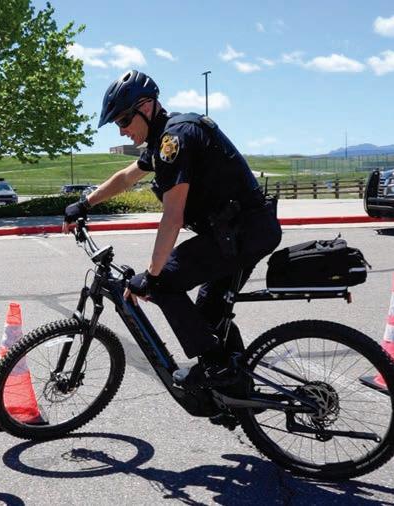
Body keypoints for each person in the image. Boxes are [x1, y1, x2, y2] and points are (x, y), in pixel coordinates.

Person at [64, 70, 281, 388]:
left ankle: (218, 370)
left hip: (241, 234)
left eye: (124, 120)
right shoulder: (162, 139)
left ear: (146, 107)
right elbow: (126, 177)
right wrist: (85, 203)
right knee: (209, 311)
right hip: (243, 231)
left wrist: (152, 276)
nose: (122, 130)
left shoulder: (174, 139)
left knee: (165, 283)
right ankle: (237, 388)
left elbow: (172, 217)